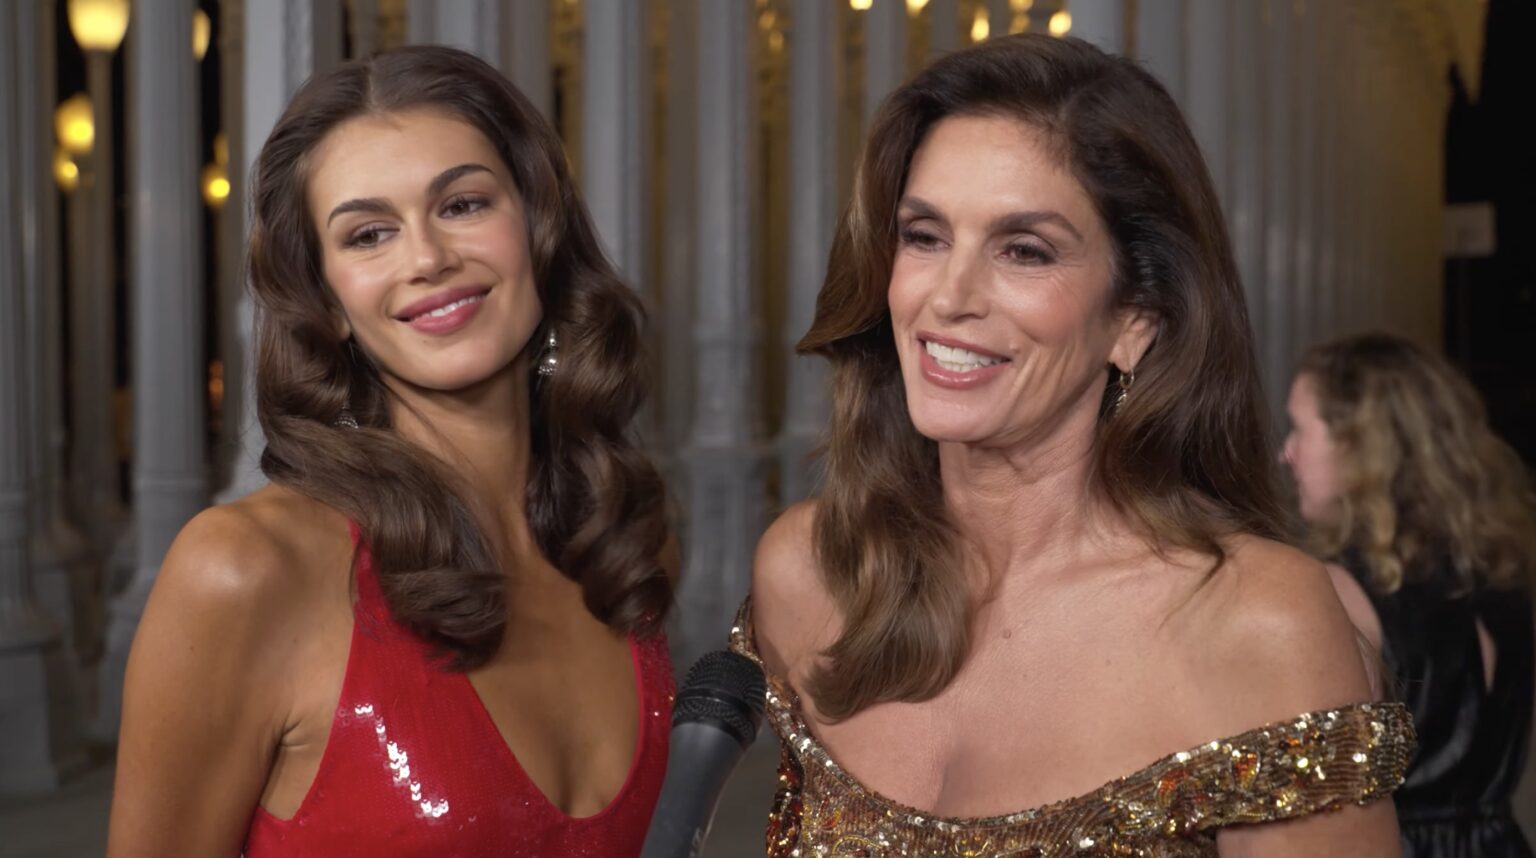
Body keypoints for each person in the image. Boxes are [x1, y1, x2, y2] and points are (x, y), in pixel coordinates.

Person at [734, 34, 1414, 856]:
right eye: (924, 236)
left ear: (1136, 320)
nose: (949, 296)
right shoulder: (809, 573)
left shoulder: (1258, 621)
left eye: (1025, 250)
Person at [106, 46, 675, 857]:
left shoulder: (623, 544)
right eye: (368, 234)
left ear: (539, 230)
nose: (427, 258)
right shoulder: (244, 570)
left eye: (465, 204)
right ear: (328, 302)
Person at [1283, 332, 1536, 858]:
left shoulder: (1339, 593)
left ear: (1359, 448)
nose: (1285, 454)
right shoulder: (1505, 576)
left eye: (1299, 430)